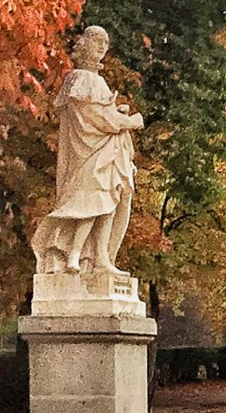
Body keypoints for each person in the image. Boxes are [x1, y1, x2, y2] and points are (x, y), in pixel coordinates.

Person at [31, 26, 144, 275]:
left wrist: (118, 113)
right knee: (90, 204)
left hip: (106, 154)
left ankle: (100, 258)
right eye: (96, 41)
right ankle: (73, 255)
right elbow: (95, 117)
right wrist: (131, 121)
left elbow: (103, 113)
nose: (102, 46)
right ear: (84, 45)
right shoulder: (80, 79)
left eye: (105, 42)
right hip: (89, 154)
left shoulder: (97, 80)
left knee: (108, 202)